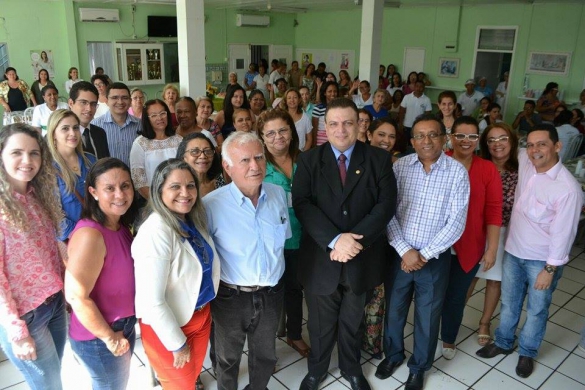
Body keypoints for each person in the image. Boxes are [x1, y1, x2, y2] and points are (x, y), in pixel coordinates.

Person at [293, 98, 397, 390]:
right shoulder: (309, 160)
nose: (341, 130)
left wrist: (353, 242)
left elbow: (385, 206)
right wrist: (336, 240)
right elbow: (303, 205)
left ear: (359, 125)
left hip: (361, 258)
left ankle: (352, 369)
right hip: (320, 259)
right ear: (325, 127)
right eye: (334, 124)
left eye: (348, 123)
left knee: (352, 323)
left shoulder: (378, 159)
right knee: (319, 324)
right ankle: (316, 371)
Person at [476, 124, 582, 379]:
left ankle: (527, 352)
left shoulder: (567, 189)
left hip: (541, 261)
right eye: (531, 144)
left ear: (557, 146)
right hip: (513, 250)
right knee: (510, 303)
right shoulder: (525, 161)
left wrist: (549, 269)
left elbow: (564, 234)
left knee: (536, 309)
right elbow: (502, 148)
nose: (535, 150)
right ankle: (503, 342)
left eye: (542, 144)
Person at [377, 114, 469, 390]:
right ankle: (392, 355)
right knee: (393, 310)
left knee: (428, 316)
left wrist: (423, 254)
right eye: (419, 135)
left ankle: (419, 367)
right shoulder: (400, 167)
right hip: (400, 255)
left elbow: (457, 222)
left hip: (434, 259)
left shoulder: (456, 172)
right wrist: (406, 251)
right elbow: (387, 211)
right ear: (412, 140)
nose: (426, 140)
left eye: (432, 134)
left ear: (444, 138)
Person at [203, 131, 291, 390]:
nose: (255, 166)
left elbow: (281, 242)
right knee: (227, 357)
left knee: (265, 355)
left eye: (259, 157)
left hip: (272, 293)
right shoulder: (211, 205)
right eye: (245, 160)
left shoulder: (277, 195)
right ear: (227, 167)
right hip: (231, 297)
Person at [133, 158, 220, 390]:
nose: (185, 193)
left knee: (190, 380)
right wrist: (177, 343)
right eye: (175, 186)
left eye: (191, 185)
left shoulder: (191, 218)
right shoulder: (156, 231)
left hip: (200, 316)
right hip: (170, 328)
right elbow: (152, 301)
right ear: (159, 190)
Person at [0, 124, 66, 390]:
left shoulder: (37, 195)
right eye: (17, 152)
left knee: (54, 379)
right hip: (26, 317)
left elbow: (50, 249)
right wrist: (17, 333)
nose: (27, 161)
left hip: (54, 304)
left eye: (34, 153)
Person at [65, 157, 137, 390]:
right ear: (94, 193)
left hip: (121, 326)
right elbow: (76, 296)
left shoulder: (119, 225)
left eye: (125, 186)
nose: (120, 194)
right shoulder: (91, 234)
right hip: (99, 336)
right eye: (110, 188)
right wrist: (108, 337)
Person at [439, 116, 502, 360]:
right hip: (436, 244)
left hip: (470, 244)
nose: (466, 141)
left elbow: (494, 209)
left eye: (472, 136)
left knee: (456, 296)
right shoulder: (438, 160)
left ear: (478, 140)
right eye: (461, 135)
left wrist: (492, 248)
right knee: (433, 294)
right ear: (451, 137)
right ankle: (428, 332)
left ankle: (448, 338)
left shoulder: (486, 169)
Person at [257, 109, 312, 358]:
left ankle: (294, 335)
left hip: (303, 237)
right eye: (270, 133)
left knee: (294, 290)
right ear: (262, 137)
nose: (277, 137)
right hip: (272, 242)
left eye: (283, 130)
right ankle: (266, 349)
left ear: (292, 132)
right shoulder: (258, 167)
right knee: (269, 296)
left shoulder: (307, 161)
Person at [468, 123, 519, 347]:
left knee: (495, 280)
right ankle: (453, 316)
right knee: (469, 277)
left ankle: (485, 323)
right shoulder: (479, 165)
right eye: (491, 140)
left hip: (504, 232)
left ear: (512, 141)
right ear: (484, 143)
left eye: (503, 138)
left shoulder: (522, 169)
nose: (497, 144)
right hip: (476, 230)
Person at [362, 117, 401, 358]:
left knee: (379, 293)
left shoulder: (398, 165)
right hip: (358, 237)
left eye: (391, 136)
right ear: (369, 135)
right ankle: (349, 339)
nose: (386, 140)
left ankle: (371, 343)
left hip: (388, 239)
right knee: (357, 293)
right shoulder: (358, 161)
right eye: (381, 135)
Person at [46, 109, 97, 242]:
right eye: (65, 129)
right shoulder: (48, 169)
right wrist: (83, 234)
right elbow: (53, 214)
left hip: (99, 233)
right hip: (73, 240)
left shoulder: (91, 160)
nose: (72, 133)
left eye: (75, 128)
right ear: (53, 134)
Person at [130, 99, 182, 200]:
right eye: (153, 115)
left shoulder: (179, 140)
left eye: (162, 113)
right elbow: (139, 181)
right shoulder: (140, 143)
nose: (159, 118)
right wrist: (157, 202)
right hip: (152, 200)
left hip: (179, 197)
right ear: (147, 119)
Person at [91, 82, 141, 166]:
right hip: (106, 177)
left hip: (134, 177)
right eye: (115, 98)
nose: (120, 102)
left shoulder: (140, 125)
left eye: (124, 98)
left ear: (130, 101)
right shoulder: (95, 126)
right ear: (106, 101)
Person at [68, 81, 110, 159]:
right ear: (71, 103)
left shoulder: (100, 133)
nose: (89, 109)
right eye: (83, 103)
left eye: (93, 104)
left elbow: (106, 164)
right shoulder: (61, 136)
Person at [177, 132, 225, 198]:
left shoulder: (219, 181)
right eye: (195, 151)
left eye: (208, 151)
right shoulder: (177, 186)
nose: (203, 156)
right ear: (183, 157)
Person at [312, 81, 339, 147]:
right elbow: (314, 128)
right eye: (330, 91)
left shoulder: (340, 108)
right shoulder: (318, 108)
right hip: (321, 141)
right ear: (325, 93)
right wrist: (314, 145)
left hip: (336, 139)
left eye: (335, 91)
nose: (333, 94)